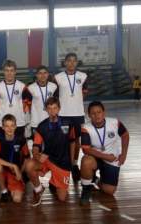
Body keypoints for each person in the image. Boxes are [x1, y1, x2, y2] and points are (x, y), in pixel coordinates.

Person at [25, 97, 75, 206]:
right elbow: (35, 147)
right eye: (49, 108)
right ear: (46, 110)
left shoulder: (68, 123)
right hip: (48, 159)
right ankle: (39, 189)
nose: (52, 111)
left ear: (59, 109)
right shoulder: (42, 126)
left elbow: (72, 142)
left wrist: (72, 161)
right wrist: (38, 156)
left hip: (63, 162)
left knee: (62, 198)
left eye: (55, 108)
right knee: (29, 164)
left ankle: (53, 181)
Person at [79, 101, 130, 206]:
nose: (97, 115)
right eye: (93, 113)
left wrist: (124, 154)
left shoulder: (115, 123)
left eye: (99, 112)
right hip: (96, 157)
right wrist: (106, 156)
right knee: (86, 161)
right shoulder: (85, 128)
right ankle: (86, 189)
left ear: (104, 112)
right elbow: (86, 150)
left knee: (110, 191)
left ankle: (95, 180)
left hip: (112, 159)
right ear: (89, 115)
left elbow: (125, 135)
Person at [54, 53, 88, 183]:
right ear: (65, 63)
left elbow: (84, 94)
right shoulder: (58, 77)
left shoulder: (83, 76)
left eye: (74, 61)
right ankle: (64, 164)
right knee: (64, 141)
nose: (72, 63)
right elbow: (55, 97)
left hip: (78, 114)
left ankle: (74, 164)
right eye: (69, 61)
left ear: (77, 62)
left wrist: (75, 104)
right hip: (63, 114)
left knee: (77, 141)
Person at [0, 114, 30, 203]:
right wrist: (14, 166)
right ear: (3, 127)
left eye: (12, 126)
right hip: (3, 171)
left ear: (16, 126)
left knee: (17, 199)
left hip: (14, 173)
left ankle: (11, 186)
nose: (10, 129)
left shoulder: (21, 139)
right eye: (7, 126)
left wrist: (20, 172)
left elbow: (27, 158)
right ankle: (4, 191)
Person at [0, 60, 31, 137]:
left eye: (11, 70)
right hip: (4, 124)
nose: (9, 73)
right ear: (3, 72)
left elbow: (27, 106)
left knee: (19, 148)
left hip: (19, 123)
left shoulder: (22, 86)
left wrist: (27, 122)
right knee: (4, 148)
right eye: (7, 70)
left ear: (15, 72)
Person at [26, 65, 57, 136]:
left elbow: (57, 104)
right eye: (40, 73)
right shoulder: (30, 88)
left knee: (50, 145)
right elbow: (28, 105)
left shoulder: (54, 86)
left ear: (48, 74)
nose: (42, 75)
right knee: (37, 145)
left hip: (50, 121)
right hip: (36, 122)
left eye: (45, 73)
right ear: (36, 75)